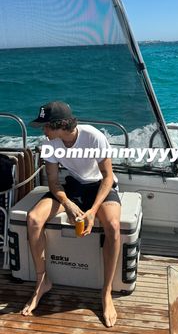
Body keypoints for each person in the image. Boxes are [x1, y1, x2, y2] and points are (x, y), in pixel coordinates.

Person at [21, 101, 121, 328]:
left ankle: (106, 293)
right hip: (72, 188)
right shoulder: (50, 143)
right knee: (34, 219)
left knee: (113, 227)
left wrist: (92, 211)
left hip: (100, 187)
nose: (43, 131)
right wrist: (67, 203)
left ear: (59, 125)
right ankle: (42, 281)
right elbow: (54, 182)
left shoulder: (93, 137)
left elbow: (107, 177)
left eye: (46, 126)